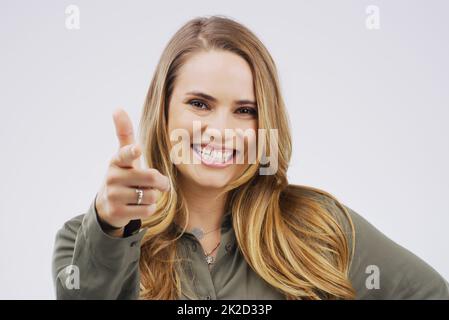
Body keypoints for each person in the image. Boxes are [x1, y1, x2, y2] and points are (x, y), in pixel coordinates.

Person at [52, 15, 449, 300]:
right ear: (164, 110)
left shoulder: (320, 227)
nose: (222, 129)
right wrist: (112, 227)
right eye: (199, 104)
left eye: (245, 110)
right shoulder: (83, 240)